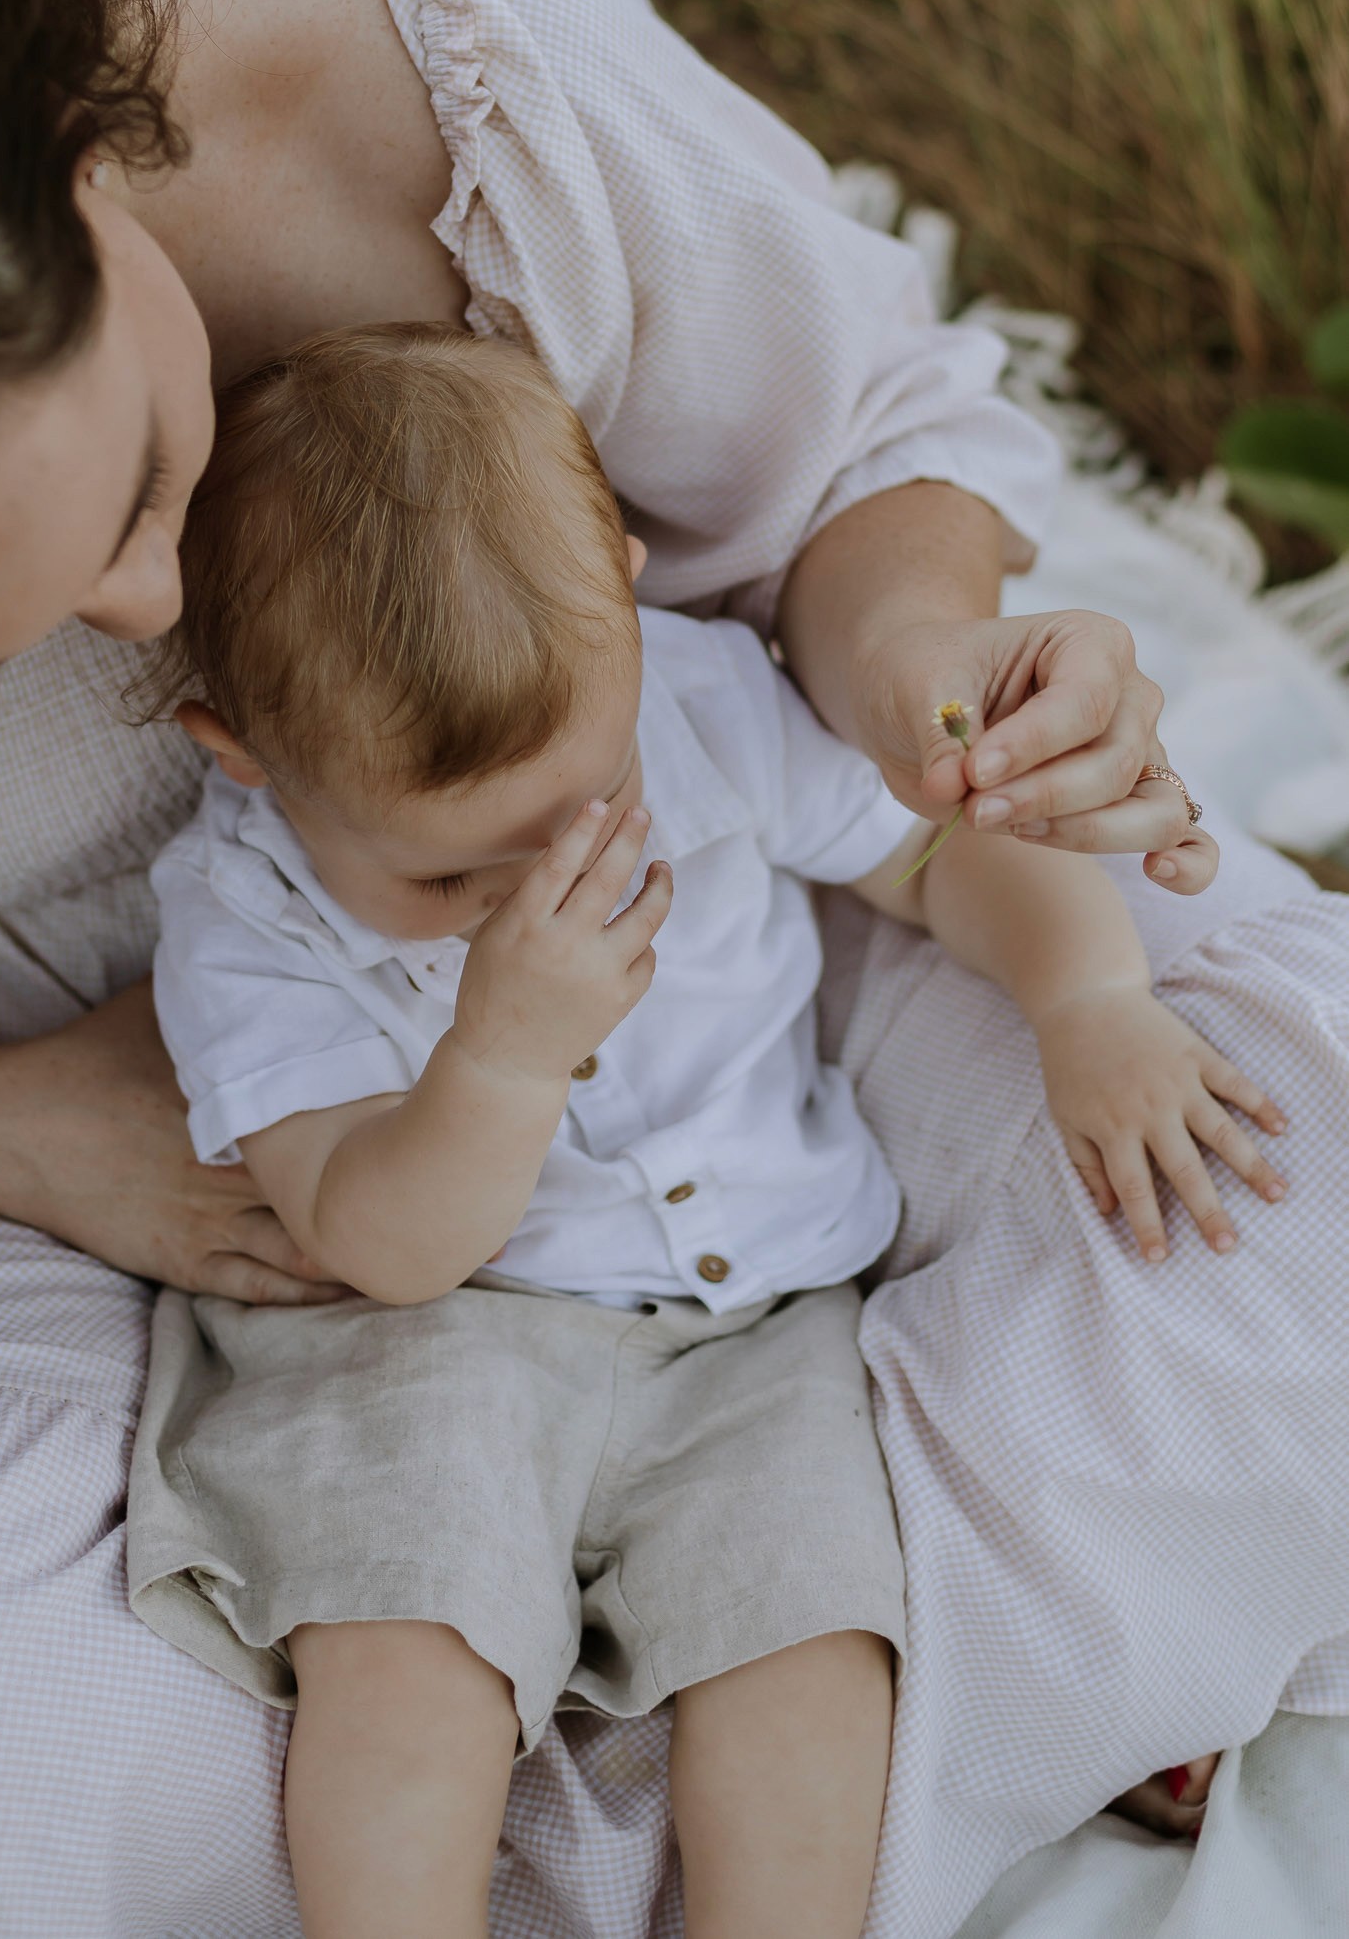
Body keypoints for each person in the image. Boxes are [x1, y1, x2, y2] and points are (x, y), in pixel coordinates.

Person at [0, 0, 1328, 1937]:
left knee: (1295, 1231)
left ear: (75, 159)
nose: (165, 615)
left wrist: (943, 681)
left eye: (140, 487)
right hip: (71, 1149)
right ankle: (978, 1707)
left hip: (730, 1004)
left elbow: (852, 460)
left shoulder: (406, 52)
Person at [134, 324, 1285, 1939]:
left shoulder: (695, 702)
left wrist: (1088, 998)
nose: (531, 896)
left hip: (758, 1319)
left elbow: (939, 856)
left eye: (581, 807)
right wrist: (501, 1054)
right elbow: (375, 1240)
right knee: (404, 1651)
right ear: (243, 754)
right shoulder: (241, 901)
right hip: (427, 1335)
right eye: (446, 882)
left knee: (807, 1643)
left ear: (624, 586)